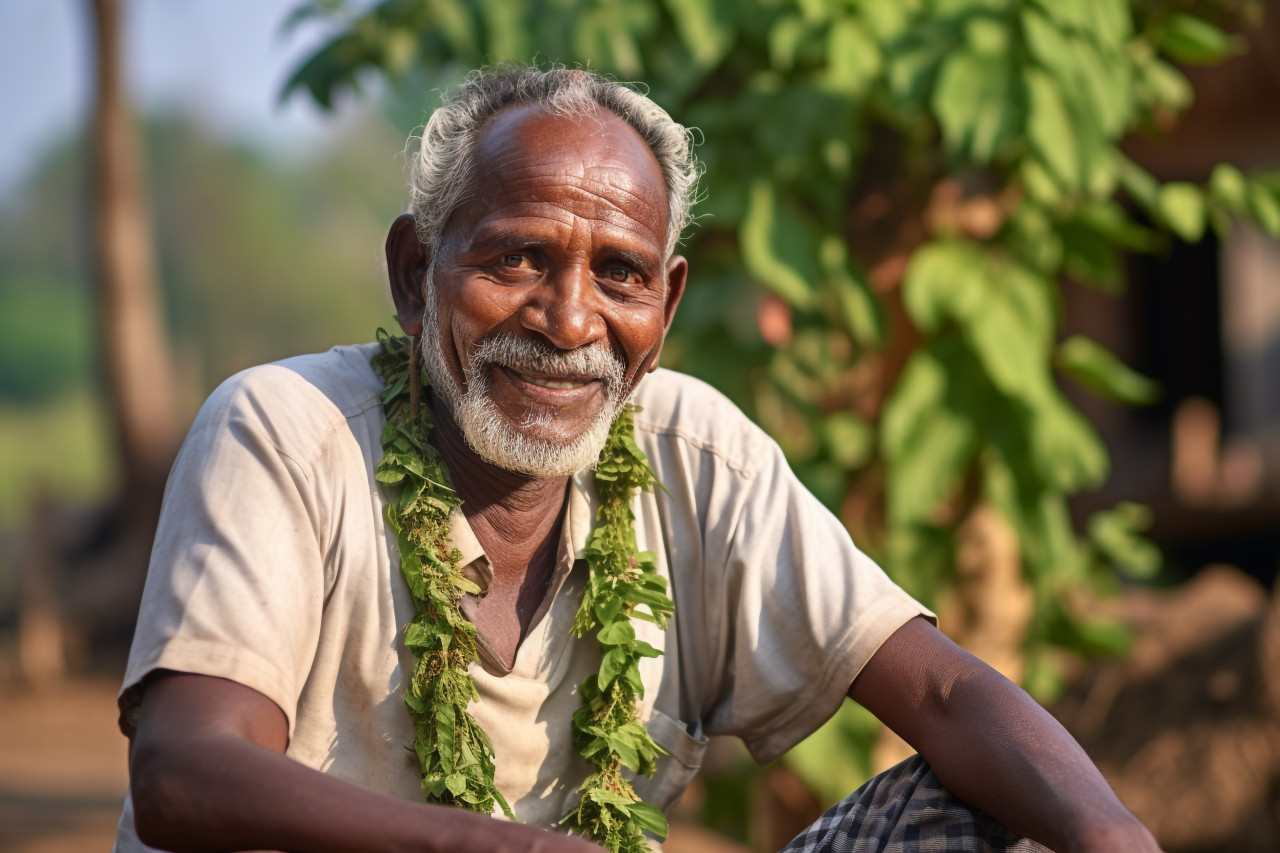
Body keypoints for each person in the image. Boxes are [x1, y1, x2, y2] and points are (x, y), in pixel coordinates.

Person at [114, 66, 1159, 853]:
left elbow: (941, 697)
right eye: (516, 256)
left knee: (981, 805)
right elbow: (184, 768)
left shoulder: (692, 453)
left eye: (616, 273)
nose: (568, 321)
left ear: (662, 311)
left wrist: (1115, 841)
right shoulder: (286, 431)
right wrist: (496, 846)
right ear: (412, 272)